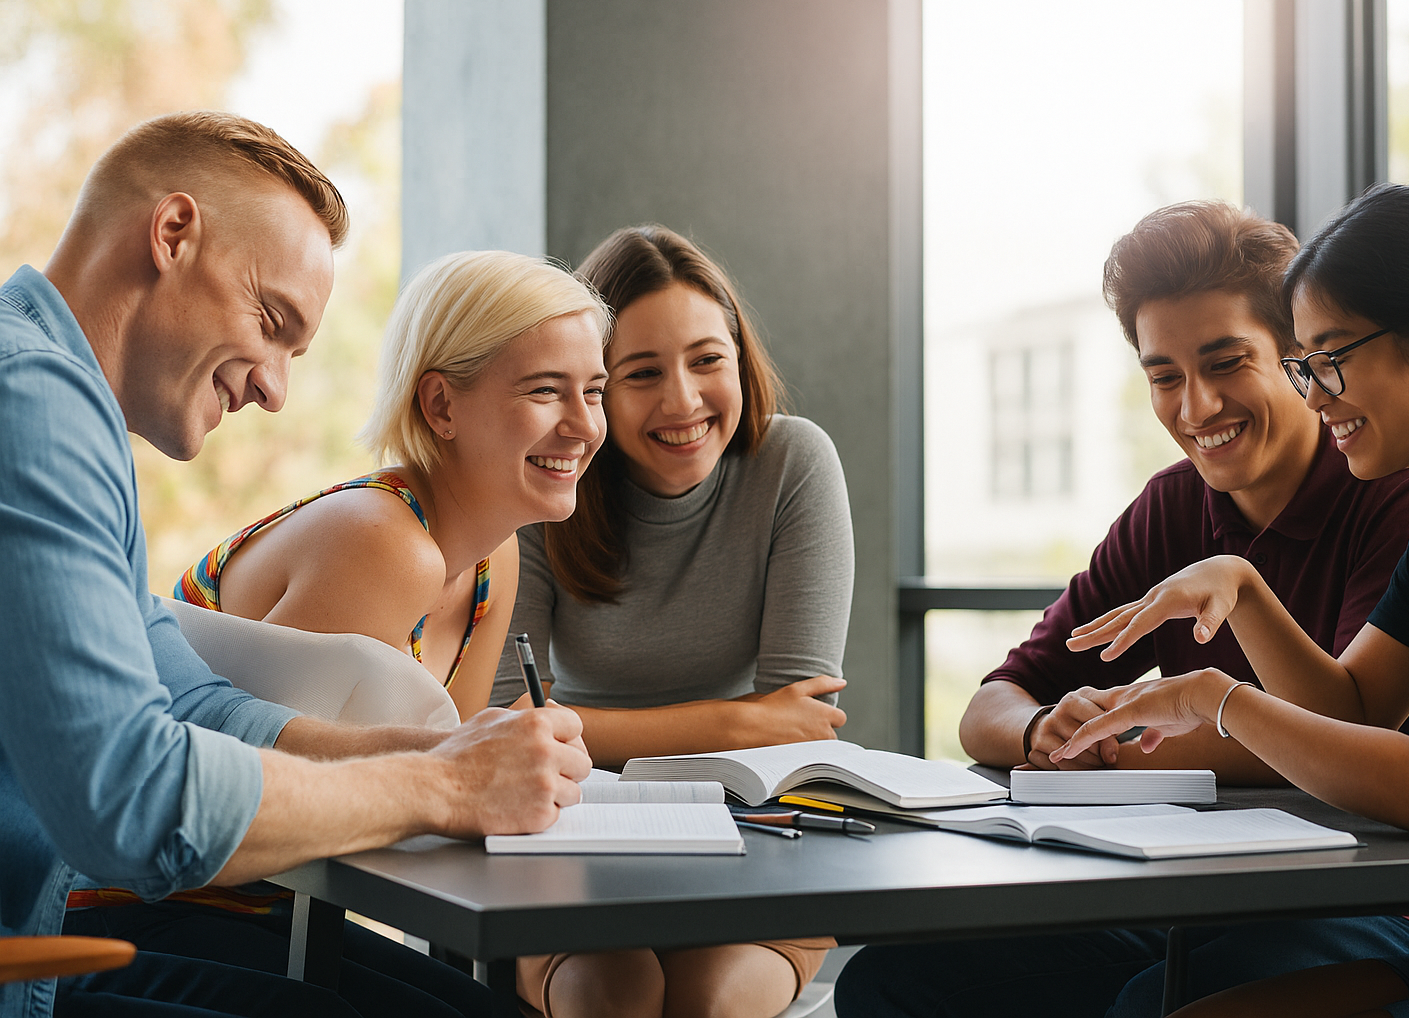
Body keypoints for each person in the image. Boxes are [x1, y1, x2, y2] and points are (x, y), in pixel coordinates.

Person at [0, 112, 590, 1018]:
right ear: (172, 234)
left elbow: (193, 704)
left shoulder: (70, 416)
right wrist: (441, 784)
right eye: (272, 323)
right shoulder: (29, 402)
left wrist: (443, 750)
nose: (275, 389)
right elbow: (133, 800)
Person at [835, 202, 1409, 1018]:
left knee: (1151, 1003)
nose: (1195, 408)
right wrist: (1039, 731)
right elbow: (993, 704)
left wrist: (1117, 743)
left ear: (1300, 356)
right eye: (1164, 376)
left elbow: (1340, 737)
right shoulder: (1171, 509)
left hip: (1375, 903)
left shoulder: (1396, 497)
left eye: (1226, 363)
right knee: (889, 980)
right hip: (1189, 898)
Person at [1052, 184, 1409, 1016]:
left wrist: (1217, 697)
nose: (1313, 395)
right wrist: (1244, 589)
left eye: (1333, 357)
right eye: (1304, 364)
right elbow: (1356, 710)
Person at [487, 225, 853, 1018]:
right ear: (594, 390)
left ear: (740, 358)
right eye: (641, 373)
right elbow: (507, 723)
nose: (683, 400)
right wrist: (731, 720)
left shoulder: (794, 463)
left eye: (707, 360)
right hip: (576, 831)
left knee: (711, 1002)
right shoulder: (551, 491)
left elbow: (794, 729)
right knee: (613, 997)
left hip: (760, 833)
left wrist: (582, 725)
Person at [175, 248, 610, 719]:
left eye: (594, 391)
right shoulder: (385, 549)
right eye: (545, 389)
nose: (585, 426)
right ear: (441, 405)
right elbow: (260, 765)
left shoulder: (494, 556)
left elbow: (455, 755)